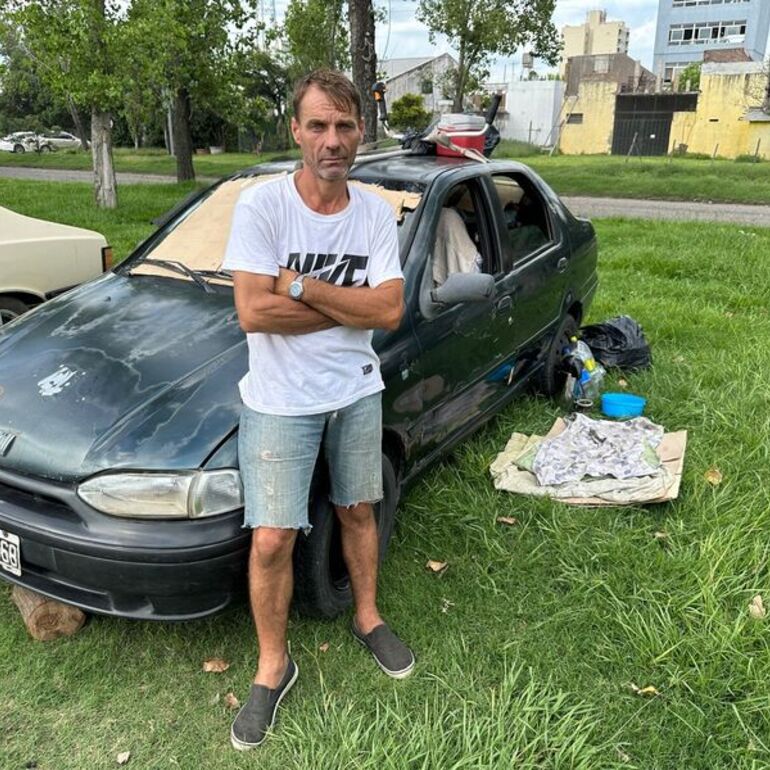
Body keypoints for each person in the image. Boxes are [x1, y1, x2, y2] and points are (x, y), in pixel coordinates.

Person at [222, 69, 414, 751]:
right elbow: (252, 312)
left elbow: (389, 310)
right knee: (272, 537)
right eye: (318, 126)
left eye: (344, 126)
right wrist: (344, 306)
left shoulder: (372, 213)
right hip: (279, 400)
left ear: (360, 131)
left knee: (358, 509)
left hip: (355, 389)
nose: (332, 140)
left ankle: (367, 615)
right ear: (297, 131)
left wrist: (300, 285)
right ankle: (274, 665)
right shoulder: (262, 208)